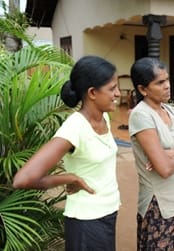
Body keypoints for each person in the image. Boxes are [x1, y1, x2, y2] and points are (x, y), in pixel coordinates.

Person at [13, 55, 121, 251]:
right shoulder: (75, 127)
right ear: (92, 93)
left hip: (108, 212)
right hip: (86, 222)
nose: (118, 94)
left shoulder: (103, 117)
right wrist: (69, 178)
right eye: (112, 88)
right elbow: (23, 179)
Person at [128, 57, 174, 250]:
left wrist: (173, 153)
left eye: (167, 80)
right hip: (160, 205)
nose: (167, 86)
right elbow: (164, 170)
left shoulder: (170, 110)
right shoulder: (141, 115)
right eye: (160, 82)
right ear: (143, 89)